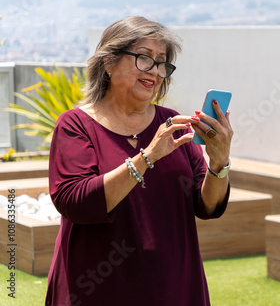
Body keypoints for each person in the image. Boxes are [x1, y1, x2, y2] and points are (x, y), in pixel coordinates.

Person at [45, 16, 233, 306]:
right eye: (144, 58)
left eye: (162, 62)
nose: (156, 72)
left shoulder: (173, 125)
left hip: (174, 288)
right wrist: (146, 157)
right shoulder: (75, 125)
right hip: (96, 291)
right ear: (109, 62)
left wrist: (219, 163)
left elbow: (207, 206)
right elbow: (74, 202)